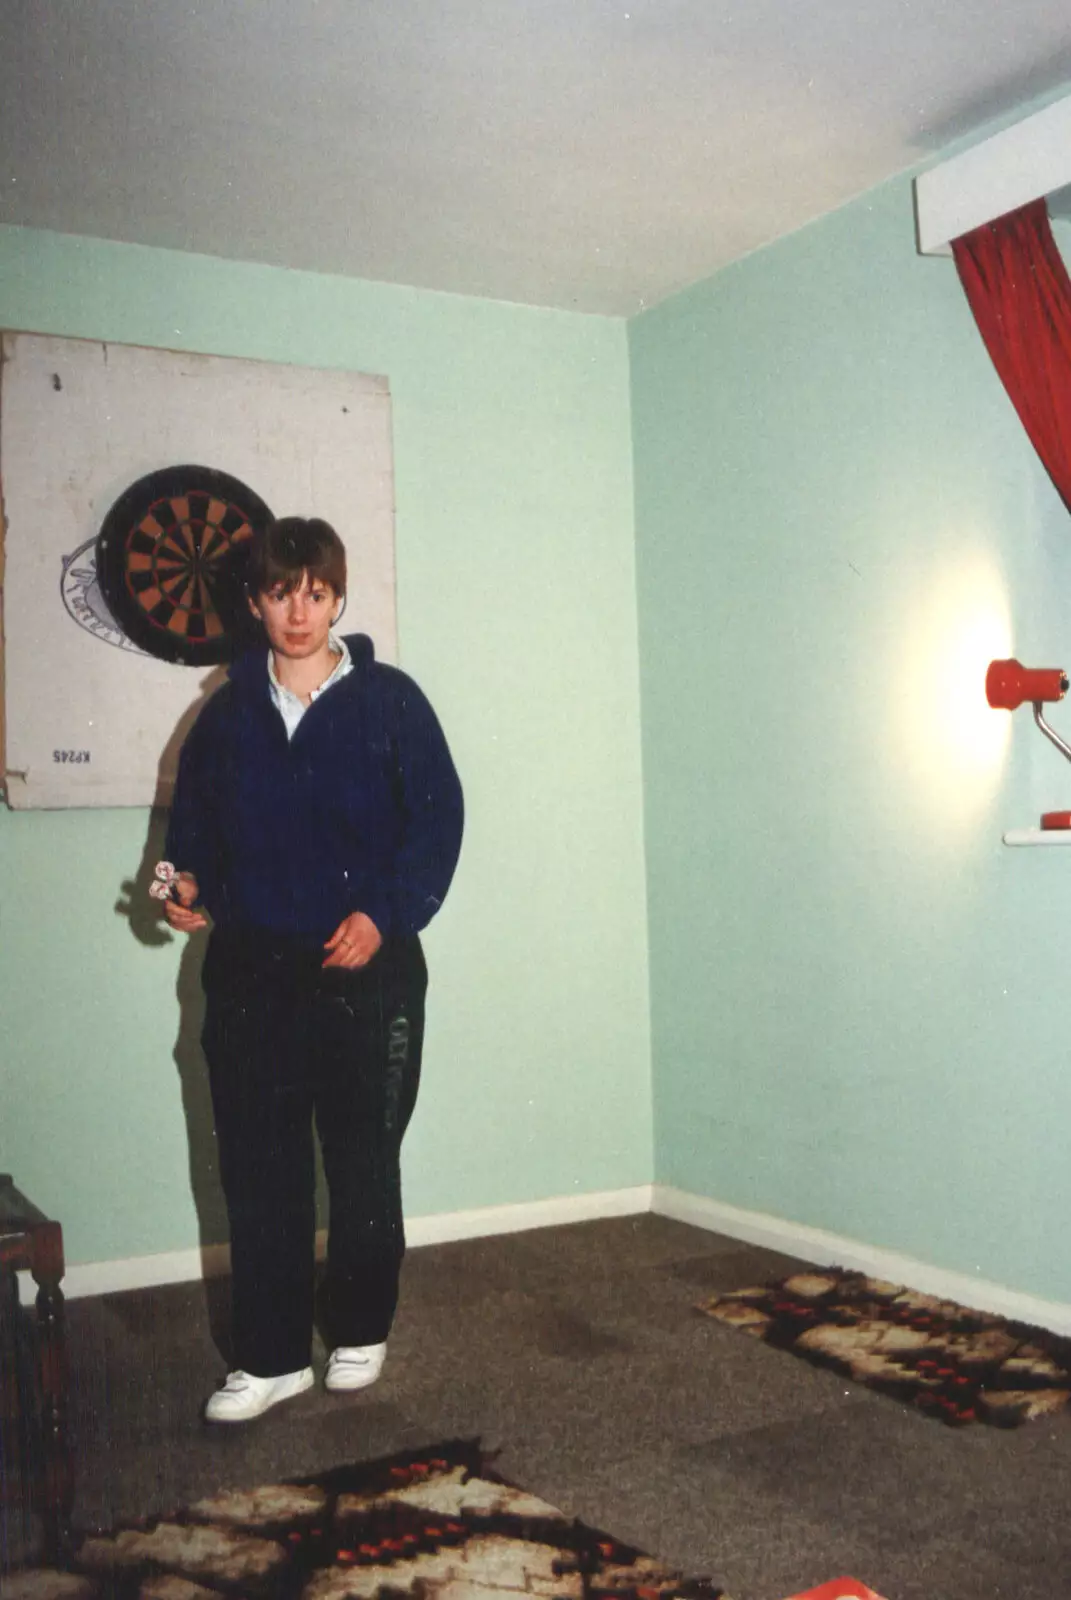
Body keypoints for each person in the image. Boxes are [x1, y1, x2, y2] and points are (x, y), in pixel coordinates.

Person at [160, 516, 463, 1423]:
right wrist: (180, 888)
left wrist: (384, 914)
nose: (300, 611)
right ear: (254, 602)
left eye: (317, 593)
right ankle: (272, 1355)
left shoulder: (390, 702)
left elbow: (437, 823)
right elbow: (193, 841)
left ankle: (361, 1330)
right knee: (258, 1163)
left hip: (366, 965)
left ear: (338, 598)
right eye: (282, 593)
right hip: (253, 972)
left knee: (364, 1158)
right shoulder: (224, 715)